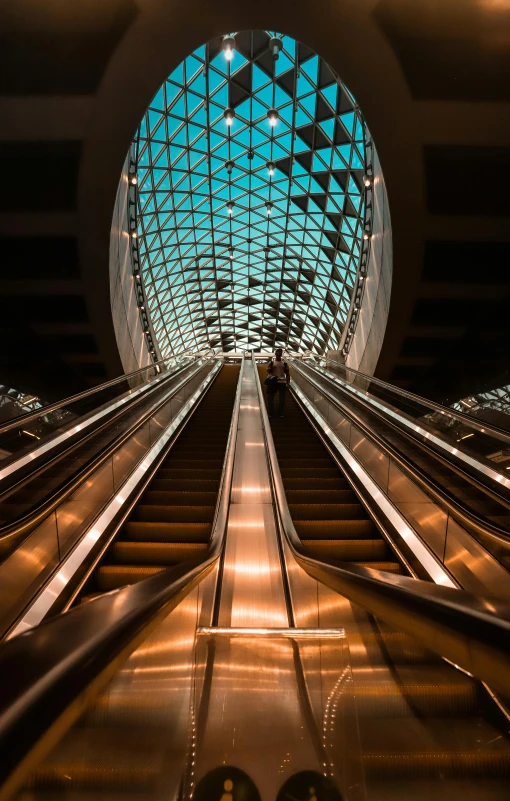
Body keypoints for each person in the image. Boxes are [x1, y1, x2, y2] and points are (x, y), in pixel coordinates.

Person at [266, 348, 290, 418]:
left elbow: (288, 374)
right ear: (275, 353)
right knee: (270, 398)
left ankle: (280, 413)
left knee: (282, 399)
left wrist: (288, 383)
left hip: (282, 382)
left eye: (280, 352)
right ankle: (272, 413)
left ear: (282, 354)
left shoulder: (284, 364)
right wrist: (269, 369)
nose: (279, 353)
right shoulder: (271, 363)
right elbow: (268, 372)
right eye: (278, 352)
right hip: (274, 382)